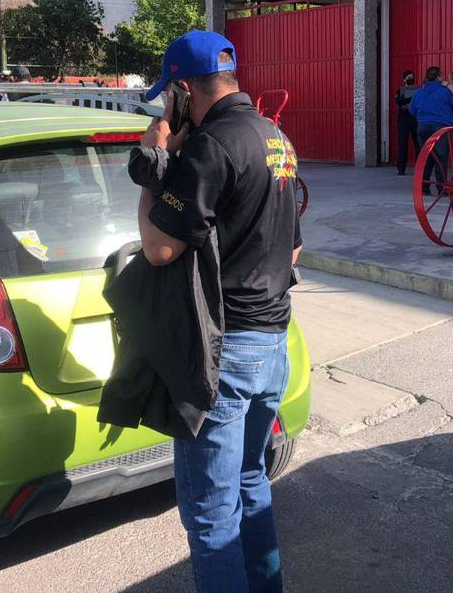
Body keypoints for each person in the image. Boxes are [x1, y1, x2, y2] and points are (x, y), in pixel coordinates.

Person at [137, 29, 301, 593]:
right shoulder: (275, 137)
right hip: (272, 345)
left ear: (184, 90)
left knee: (210, 516)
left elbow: (158, 248)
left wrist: (155, 163)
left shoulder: (212, 146)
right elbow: (293, 248)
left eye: (169, 95)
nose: (167, 106)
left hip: (224, 352)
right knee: (251, 481)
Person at [409, 66, 453, 193]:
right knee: (441, 158)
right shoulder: (444, 91)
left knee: (427, 157)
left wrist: (423, 118)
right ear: (438, 77)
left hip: (423, 127)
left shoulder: (419, 92)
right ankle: (442, 188)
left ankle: (424, 188)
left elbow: (412, 110)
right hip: (440, 127)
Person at [394, 70, 418, 176]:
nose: (411, 79)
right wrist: (412, 99)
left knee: (418, 144)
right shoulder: (400, 90)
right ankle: (401, 169)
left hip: (415, 119)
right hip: (403, 120)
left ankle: (419, 168)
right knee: (402, 144)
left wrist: (407, 101)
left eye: (412, 77)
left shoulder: (418, 90)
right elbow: (399, 102)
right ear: (404, 80)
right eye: (408, 78)